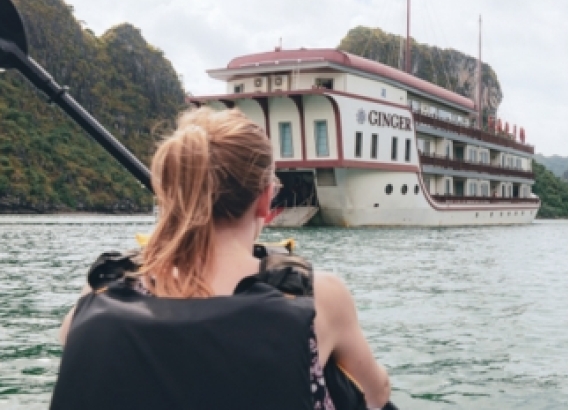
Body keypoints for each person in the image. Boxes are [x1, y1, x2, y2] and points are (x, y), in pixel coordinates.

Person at [52, 107, 391, 410]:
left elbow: (73, 345)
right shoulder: (317, 297)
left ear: (172, 195)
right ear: (264, 200)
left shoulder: (99, 291)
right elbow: (376, 396)